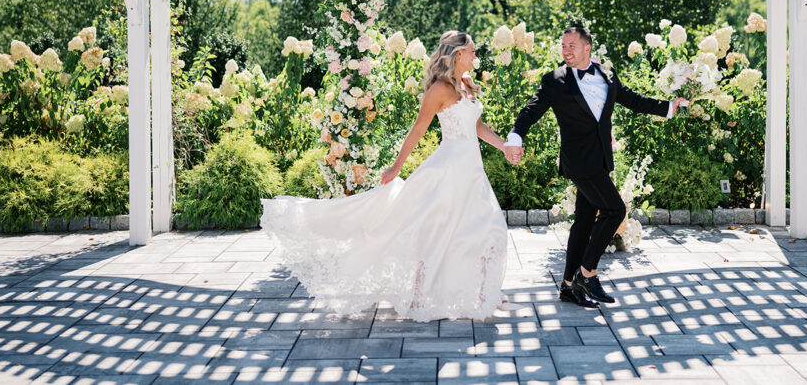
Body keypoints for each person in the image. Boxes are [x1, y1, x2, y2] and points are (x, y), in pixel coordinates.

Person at [261, 30, 510, 322]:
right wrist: (395, 168)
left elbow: (476, 124)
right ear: (457, 55)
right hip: (449, 171)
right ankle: (421, 299)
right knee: (437, 233)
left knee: (489, 228)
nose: (475, 57)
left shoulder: (467, 84)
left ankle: (482, 295)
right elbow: (418, 131)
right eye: (471, 52)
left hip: (472, 170)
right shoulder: (439, 90)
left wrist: (504, 146)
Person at [503, 24, 689, 308]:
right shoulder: (554, 80)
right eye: (563, 46)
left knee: (584, 222)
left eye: (571, 46)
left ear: (587, 47)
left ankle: (568, 286)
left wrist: (668, 108)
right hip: (578, 161)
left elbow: (633, 100)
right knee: (615, 209)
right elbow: (532, 109)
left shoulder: (607, 74)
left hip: (599, 159)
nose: (566, 51)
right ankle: (587, 273)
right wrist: (515, 136)